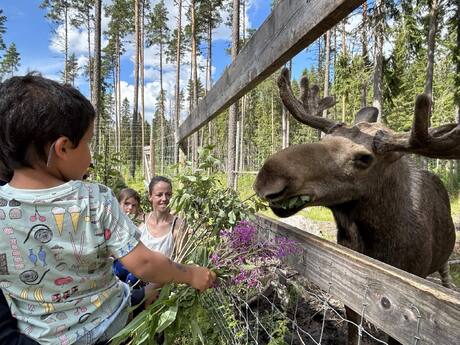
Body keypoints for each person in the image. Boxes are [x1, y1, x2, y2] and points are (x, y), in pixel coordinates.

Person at [0, 73, 215, 345]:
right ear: (63, 147)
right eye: (88, 142)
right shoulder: (93, 198)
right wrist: (191, 274)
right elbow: (145, 263)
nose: (90, 157)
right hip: (113, 330)